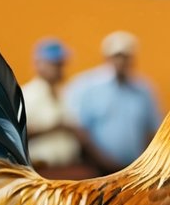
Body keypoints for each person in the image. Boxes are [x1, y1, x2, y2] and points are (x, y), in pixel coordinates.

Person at [65, 31, 161, 174]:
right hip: (96, 171)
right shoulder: (87, 86)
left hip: (133, 171)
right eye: (117, 56)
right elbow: (79, 131)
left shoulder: (143, 89)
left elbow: (151, 130)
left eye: (126, 57)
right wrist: (104, 162)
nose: (121, 61)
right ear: (106, 57)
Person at [22, 38, 86, 170]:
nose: (59, 68)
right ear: (38, 64)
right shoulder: (26, 95)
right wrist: (54, 126)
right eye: (54, 64)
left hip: (68, 167)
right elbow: (17, 134)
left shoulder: (67, 93)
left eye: (61, 63)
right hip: (40, 168)